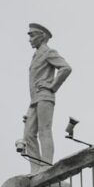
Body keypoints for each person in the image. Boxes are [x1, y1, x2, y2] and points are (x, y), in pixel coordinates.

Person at [23, 23, 72, 173]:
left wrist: (52, 86)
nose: (29, 39)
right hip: (34, 99)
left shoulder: (49, 52)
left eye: (32, 35)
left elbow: (66, 68)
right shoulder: (36, 55)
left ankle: (46, 165)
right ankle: (35, 167)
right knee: (28, 134)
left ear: (41, 36)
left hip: (45, 96)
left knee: (44, 130)